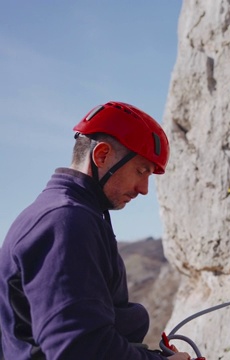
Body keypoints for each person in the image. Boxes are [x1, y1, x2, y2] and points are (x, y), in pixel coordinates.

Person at [0, 102, 191, 360]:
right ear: (101, 155)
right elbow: (79, 347)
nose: (144, 188)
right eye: (141, 170)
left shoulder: (66, 214)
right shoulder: (65, 222)